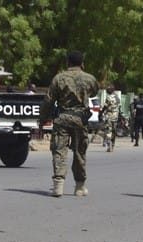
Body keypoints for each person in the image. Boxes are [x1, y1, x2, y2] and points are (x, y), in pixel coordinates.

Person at [39, 50, 98, 197]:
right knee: (79, 152)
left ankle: (58, 186)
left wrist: (42, 119)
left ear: (68, 62)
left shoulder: (59, 78)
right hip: (80, 120)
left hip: (62, 119)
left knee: (59, 150)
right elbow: (94, 92)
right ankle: (79, 186)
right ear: (82, 63)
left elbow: (49, 100)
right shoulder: (89, 79)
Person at [101, 86, 121, 152]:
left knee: (108, 130)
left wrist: (101, 113)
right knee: (114, 131)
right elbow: (119, 107)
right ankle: (113, 144)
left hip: (109, 115)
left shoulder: (108, 97)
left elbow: (105, 106)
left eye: (108, 89)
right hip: (115, 116)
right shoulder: (117, 98)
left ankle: (109, 145)